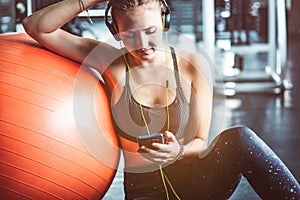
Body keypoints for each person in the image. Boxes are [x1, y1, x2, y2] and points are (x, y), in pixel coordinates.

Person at [22, 0, 300, 199]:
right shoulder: (110, 62)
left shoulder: (192, 63)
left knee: (240, 138)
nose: (142, 44)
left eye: (151, 31)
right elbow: (36, 26)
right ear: (115, 30)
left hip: (197, 185)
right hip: (147, 192)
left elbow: (201, 142)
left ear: (165, 21)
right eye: (129, 34)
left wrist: (178, 152)